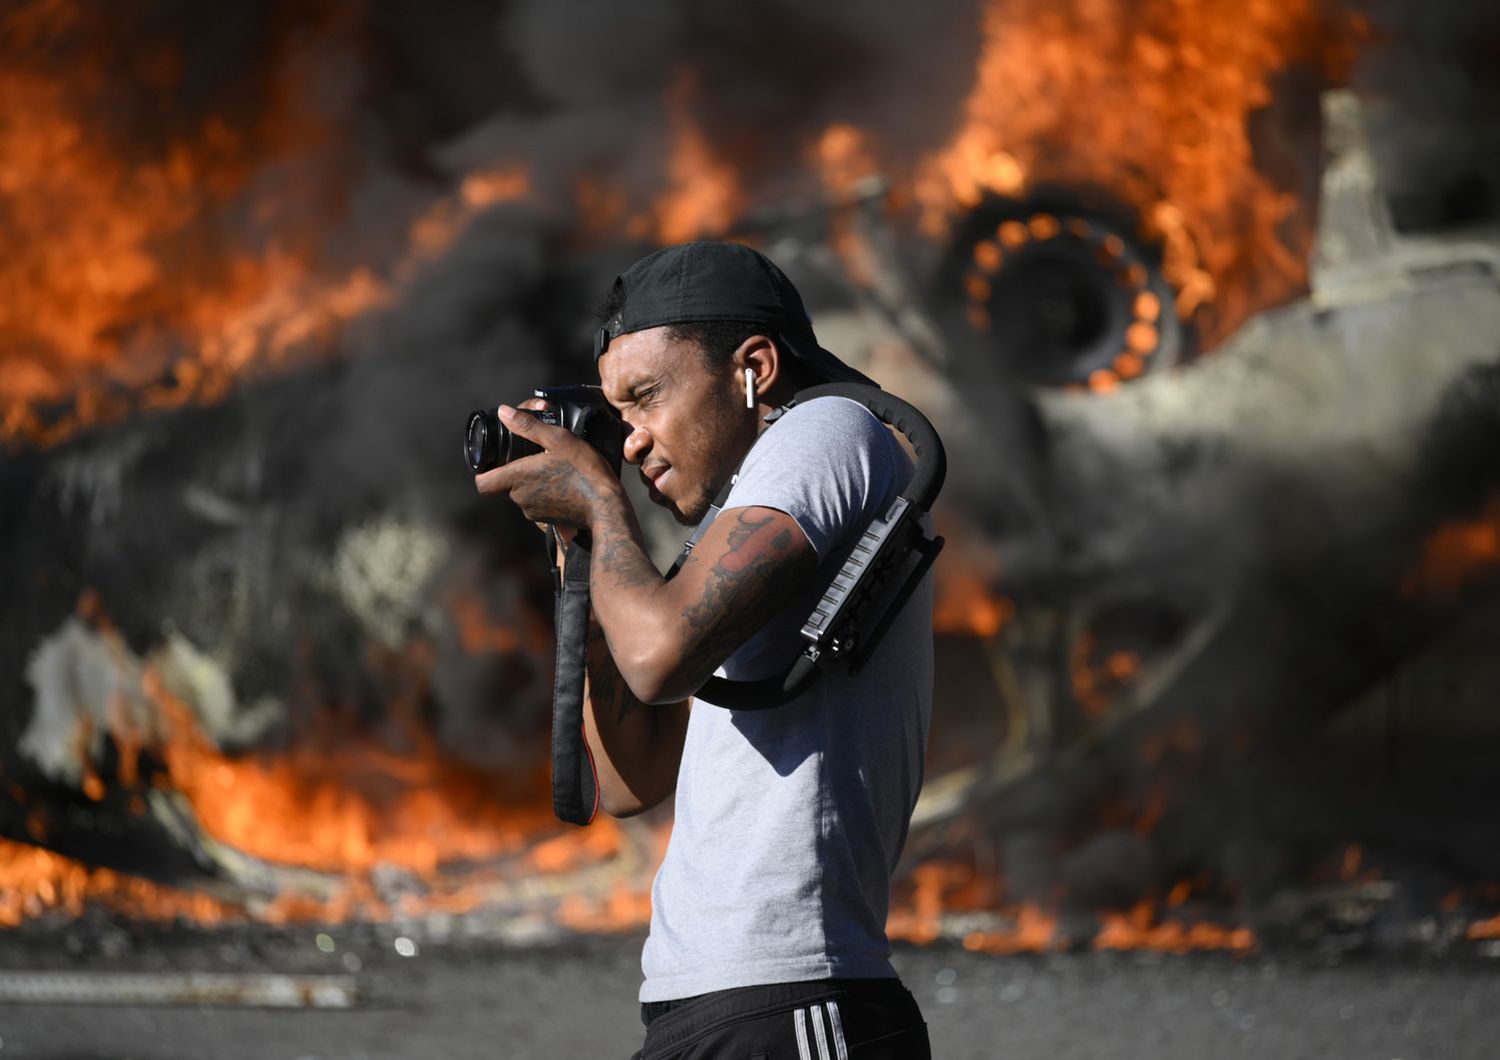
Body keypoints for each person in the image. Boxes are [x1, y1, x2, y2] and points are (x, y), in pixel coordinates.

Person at [475, 241, 933, 1059]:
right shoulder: (750, 512)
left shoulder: (826, 430)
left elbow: (658, 657)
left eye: (646, 398)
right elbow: (628, 780)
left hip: (792, 1002)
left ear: (752, 368)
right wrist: (583, 547)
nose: (630, 441)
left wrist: (600, 504)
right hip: (717, 1006)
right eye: (616, 418)